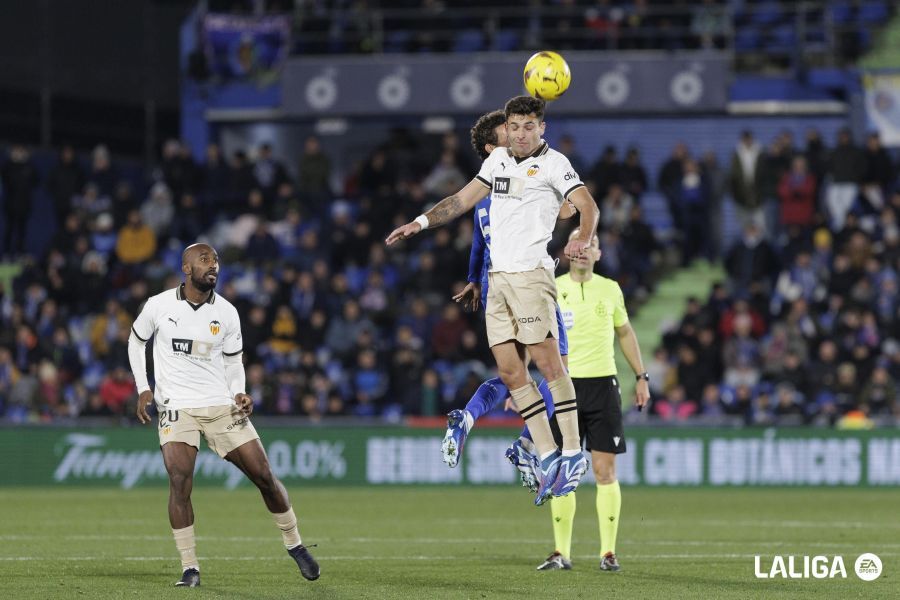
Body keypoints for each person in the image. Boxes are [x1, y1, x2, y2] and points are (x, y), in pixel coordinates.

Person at [387, 96, 599, 505]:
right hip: (497, 281)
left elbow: (588, 207)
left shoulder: (555, 164)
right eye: (514, 126)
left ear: (542, 129)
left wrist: (584, 241)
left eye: (528, 126)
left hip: (531, 277)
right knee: (511, 372)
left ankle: (573, 453)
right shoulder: (497, 160)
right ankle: (548, 454)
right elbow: (460, 200)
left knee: (550, 364)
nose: (520, 133)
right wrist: (419, 222)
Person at [127, 243, 319, 587]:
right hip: (176, 406)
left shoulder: (228, 312)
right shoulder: (158, 305)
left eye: (216, 260)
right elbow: (135, 341)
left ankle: (296, 544)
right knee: (179, 480)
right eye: (205, 260)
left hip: (219, 404)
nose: (213, 265)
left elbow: (233, 361)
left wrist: (239, 392)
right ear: (186, 268)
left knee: (263, 474)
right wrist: (143, 387)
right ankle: (190, 567)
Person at [440, 109, 574, 492]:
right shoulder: (508, 184)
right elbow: (564, 209)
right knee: (558, 369)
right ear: (491, 147)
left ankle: (467, 417)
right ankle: (530, 444)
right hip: (524, 284)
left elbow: (480, 239)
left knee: (515, 375)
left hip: (494, 284)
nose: (517, 136)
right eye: (508, 131)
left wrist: (473, 279)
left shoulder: (489, 194)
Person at [534, 228, 650, 573]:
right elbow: (534, 335)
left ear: (599, 254)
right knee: (560, 471)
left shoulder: (610, 289)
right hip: (563, 386)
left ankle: (608, 552)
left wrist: (641, 377)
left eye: (591, 244)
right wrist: (522, 384)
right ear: (568, 251)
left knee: (604, 470)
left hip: (603, 386)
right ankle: (560, 552)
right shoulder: (552, 287)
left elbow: (625, 332)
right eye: (577, 243)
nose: (583, 249)